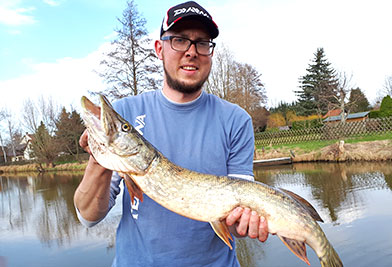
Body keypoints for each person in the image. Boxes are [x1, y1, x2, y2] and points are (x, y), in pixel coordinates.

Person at [74, 1, 269, 266]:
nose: (191, 52)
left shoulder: (236, 120)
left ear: (210, 53)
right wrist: (99, 160)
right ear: (159, 49)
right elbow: (88, 217)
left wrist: (246, 222)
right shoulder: (126, 111)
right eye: (179, 40)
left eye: (202, 43)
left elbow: (235, 218)